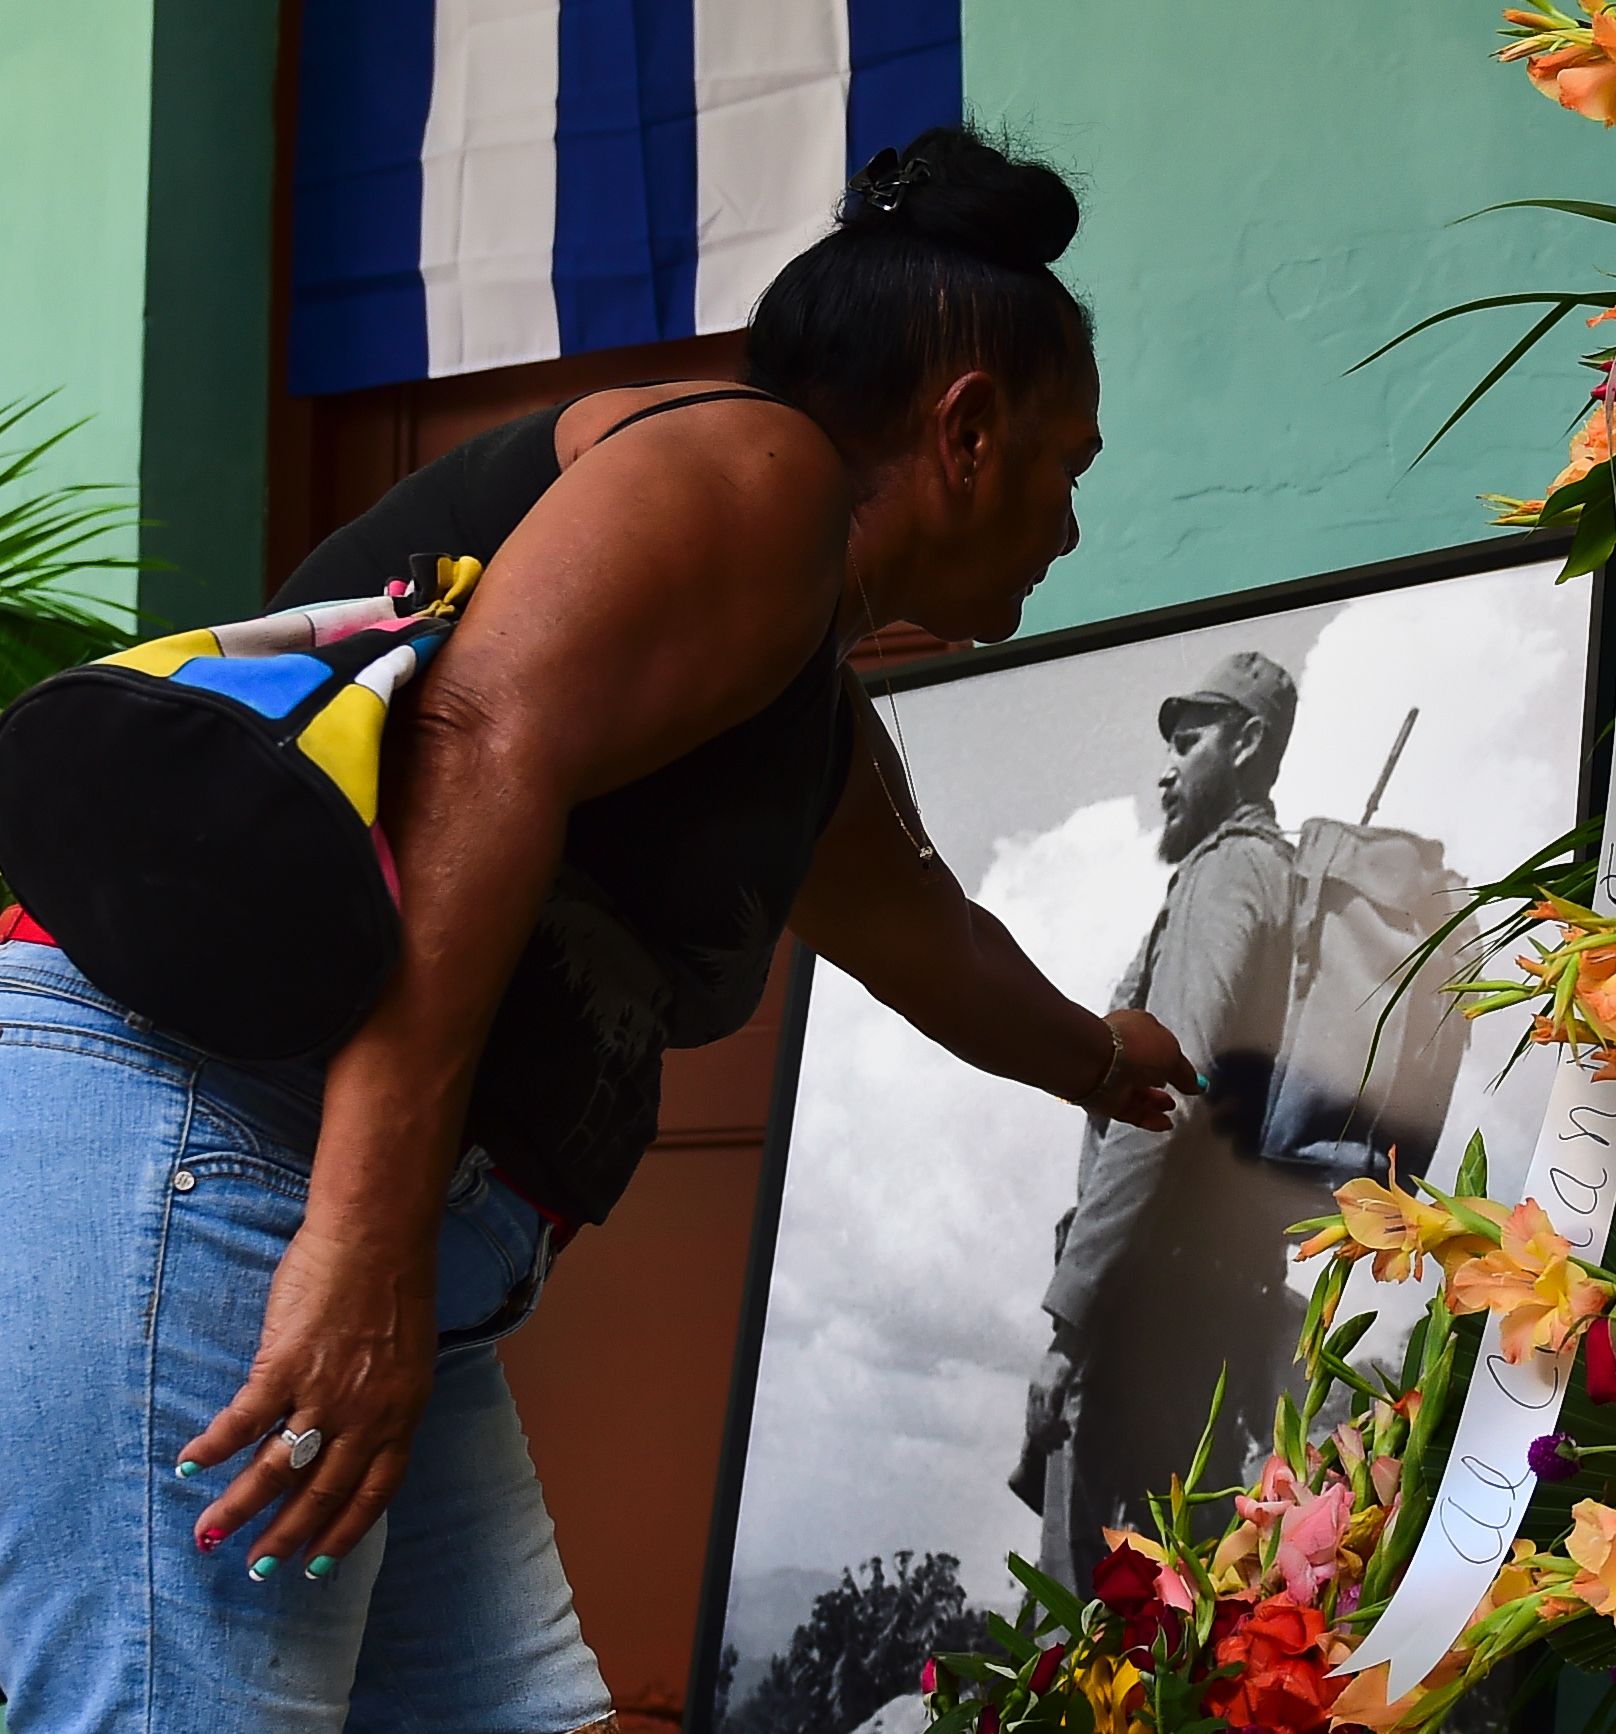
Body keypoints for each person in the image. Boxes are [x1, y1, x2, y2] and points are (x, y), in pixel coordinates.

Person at [0, 128, 1200, 1734]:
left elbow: (929, 936)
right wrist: (357, 1252)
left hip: (348, 1212)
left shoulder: (797, 705)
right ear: (966, 429)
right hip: (223, 1146)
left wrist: (1108, 1059)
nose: (1066, 523)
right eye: (1070, 464)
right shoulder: (757, 473)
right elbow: (479, 739)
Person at [1015, 652, 1327, 1590]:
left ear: (1249, 743)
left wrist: (1070, 1320)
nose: (1165, 769)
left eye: (1187, 742)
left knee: (1092, 1625)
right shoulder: (1278, 881)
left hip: (1159, 1312)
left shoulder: (1228, 873)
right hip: (1217, 1296)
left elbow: (1168, 1097)